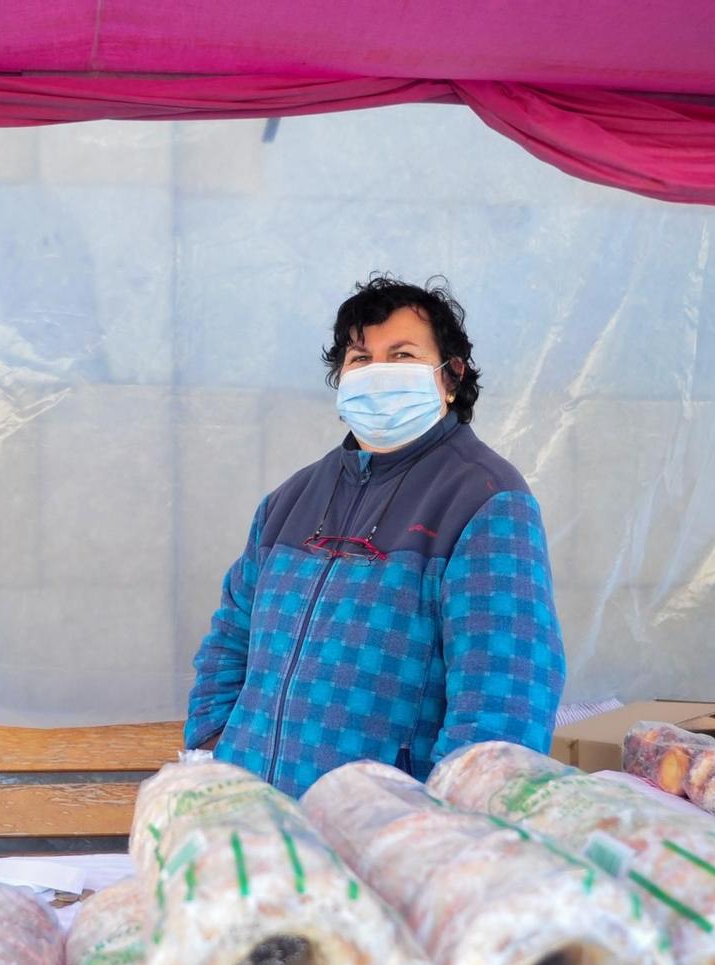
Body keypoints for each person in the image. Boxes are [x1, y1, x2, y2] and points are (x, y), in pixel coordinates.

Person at [185, 276, 566, 796]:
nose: (378, 371)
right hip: (258, 823)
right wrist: (214, 747)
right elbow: (230, 638)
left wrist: (444, 830)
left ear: (450, 377)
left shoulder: (484, 499)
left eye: (403, 355)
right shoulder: (290, 501)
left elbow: (505, 699)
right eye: (361, 358)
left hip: (382, 836)